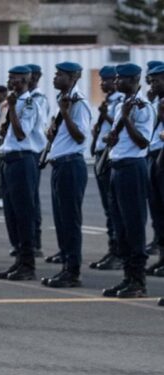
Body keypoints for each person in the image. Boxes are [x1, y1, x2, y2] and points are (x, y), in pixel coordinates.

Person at [101, 63, 154, 298]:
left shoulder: (143, 107)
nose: (116, 82)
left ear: (133, 81)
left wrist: (126, 120)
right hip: (118, 167)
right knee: (120, 226)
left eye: (120, 79)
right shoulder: (124, 103)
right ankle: (127, 277)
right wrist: (111, 137)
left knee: (133, 226)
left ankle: (138, 282)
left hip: (133, 167)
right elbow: (120, 138)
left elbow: (143, 142)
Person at [40, 62, 91, 288]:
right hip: (60, 164)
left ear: (72, 78)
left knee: (70, 220)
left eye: (60, 74)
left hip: (71, 164)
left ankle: (73, 271)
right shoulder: (64, 101)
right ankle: (65, 267)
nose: (55, 77)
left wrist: (65, 114)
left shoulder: (78, 103)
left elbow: (80, 137)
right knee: (61, 220)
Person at [0, 65, 39, 281]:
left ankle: (28, 265)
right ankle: (19, 260)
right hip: (9, 161)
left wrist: (12, 109)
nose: (10, 82)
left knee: (23, 215)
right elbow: (11, 132)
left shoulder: (29, 103)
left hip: (23, 162)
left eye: (14, 79)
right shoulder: (13, 103)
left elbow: (22, 134)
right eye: (9, 78)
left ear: (25, 81)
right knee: (11, 215)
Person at [89, 65, 125, 271]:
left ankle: (119, 251)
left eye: (107, 80)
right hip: (101, 154)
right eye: (102, 81)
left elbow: (119, 127)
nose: (103, 84)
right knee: (108, 207)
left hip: (111, 155)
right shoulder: (109, 102)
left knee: (115, 207)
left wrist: (106, 115)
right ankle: (113, 248)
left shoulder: (120, 102)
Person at [144, 65, 164, 276]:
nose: (152, 85)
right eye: (151, 81)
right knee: (157, 212)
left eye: (157, 81)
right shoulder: (154, 102)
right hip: (153, 156)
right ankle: (162, 257)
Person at [26, 64, 48, 258]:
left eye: (31, 76)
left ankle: (35, 240)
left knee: (31, 197)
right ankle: (27, 240)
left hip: (32, 150)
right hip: (24, 150)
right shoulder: (24, 98)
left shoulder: (37, 99)